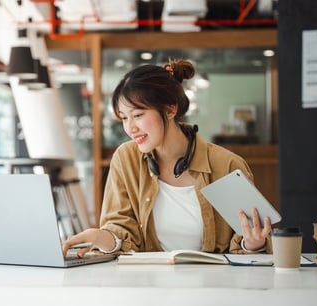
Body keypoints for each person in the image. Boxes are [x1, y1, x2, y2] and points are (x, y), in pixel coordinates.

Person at [62, 58, 272, 257]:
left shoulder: (226, 165)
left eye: (138, 115)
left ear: (170, 109)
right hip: (150, 286)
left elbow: (250, 245)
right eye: (124, 118)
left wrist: (253, 244)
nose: (130, 128)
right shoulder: (126, 159)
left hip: (213, 288)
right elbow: (121, 231)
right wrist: (100, 236)